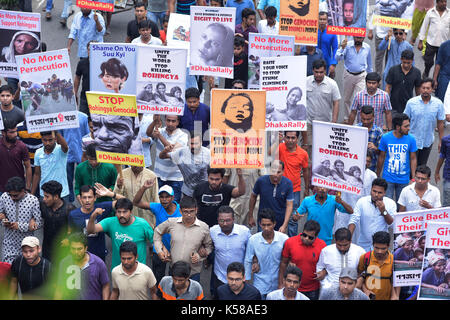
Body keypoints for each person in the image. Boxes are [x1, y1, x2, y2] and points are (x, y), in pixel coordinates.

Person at [86, 184, 154, 270]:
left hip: (139, 270)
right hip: (118, 271)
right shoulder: (110, 222)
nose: (121, 215)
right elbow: (91, 230)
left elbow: (155, 240)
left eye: (125, 212)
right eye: (119, 212)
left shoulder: (142, 224)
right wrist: (93, 216)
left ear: (131, 212)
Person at [153, 196, 213, 281]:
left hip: (193, 273)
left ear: (196, 210)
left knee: (192, 294)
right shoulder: (171, 222)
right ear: (180, 211)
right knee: (172, 294)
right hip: (173, 270)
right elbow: (157, 232)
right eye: (185, 212)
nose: (189, 215)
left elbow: (209, 247)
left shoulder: (204, 227)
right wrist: (160, 250)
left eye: (191, 211)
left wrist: (199, 256)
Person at [133, 184, 181, 283]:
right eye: (162, 197)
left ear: (173, 197)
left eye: (167, 197)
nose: (164, 200)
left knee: (175, 278)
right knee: (158, 278)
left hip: (176, 249)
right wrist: (143, 188)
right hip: (159, 249)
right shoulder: (157, 207)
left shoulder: (181, 210)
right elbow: (136, 202)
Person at [244, 208, 288, 299]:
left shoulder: (284, 239)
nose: (266, 228)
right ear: (260, 224)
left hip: (278, 284)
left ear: (274, 224)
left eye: (269, 225)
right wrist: (246, 283)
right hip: (260, 284)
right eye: (263, 225)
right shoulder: (253, 240)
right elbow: (248, 261)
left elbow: (287, 260)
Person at [272, 131, 309, 237]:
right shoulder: (279, 147)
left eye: (293, 138)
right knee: (277, 214)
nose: (290, 140)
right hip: (278, 187)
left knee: (293, 218)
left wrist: (306, 188)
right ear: (284, 137)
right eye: (288, 137)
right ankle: (276, 238)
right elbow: (269, 158)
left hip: (295, 189)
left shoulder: (303, 154)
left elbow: (306, 171)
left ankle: (292, 241)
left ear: (297, 139)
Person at [279, 220, 326, 300]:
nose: (306, 239)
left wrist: (324, 272)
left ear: (316, 236)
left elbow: (327, 265)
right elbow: (283, 263)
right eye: (304, 235)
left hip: (313, 289)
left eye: (310, 237)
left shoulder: (322, 245)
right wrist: (281, 283)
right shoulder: (290, 242)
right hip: (293, 287)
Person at [54, 232, 110, 300]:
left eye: (79, 249)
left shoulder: (98, 263)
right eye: (73, 249)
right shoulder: (64, 263)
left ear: (86, 248)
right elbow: (60, 287)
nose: (76, 252)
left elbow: (105, 285)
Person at [210, 206, 251, 296]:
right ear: (217, 220)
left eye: (228, 220)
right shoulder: (212, 231)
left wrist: (254, 262)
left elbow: (251, 250)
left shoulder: (244, 232)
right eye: (221, 220)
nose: (224, 224)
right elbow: (208, 245)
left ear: (233, 219)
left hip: (238, 277)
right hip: (220, 276)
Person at [147, 115, 189, 203]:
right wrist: (154, 122)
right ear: (165, 120)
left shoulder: (183, 135)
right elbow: (148, 133)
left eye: (173, 121)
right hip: (159, 175)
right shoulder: (160, 131)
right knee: (158, 203)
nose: (170, 123)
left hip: (175, 177)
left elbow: (173, 150)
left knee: (174, 204)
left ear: (178, 122)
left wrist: (160, 136)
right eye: (168, 120)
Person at [376, 113, 418, 202]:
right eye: (406, 126)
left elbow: (413, 158)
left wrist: (413, 178)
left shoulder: (411, 139)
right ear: (398, 127)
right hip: (388, 178)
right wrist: (378, 174)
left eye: (409, 125)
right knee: (387, 204)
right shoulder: (385, 138)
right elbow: (381, 157)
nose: (408, 128)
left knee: (402, 206)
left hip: (404, 179)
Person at [404, 78, 445, 166]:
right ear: (419, 88)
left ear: (432, 89)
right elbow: (404, 121)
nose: (425, 90)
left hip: (427, 141)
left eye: (428, 88)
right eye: (423, 88)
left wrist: (441, 141)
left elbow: (440, 123)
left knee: (422, 167)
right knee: (409, 166)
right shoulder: (411, 103)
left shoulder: (438, 104)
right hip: (412, 140)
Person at [0, 177, 41, 264]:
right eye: (10, 195)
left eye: (15, 195)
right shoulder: (4, 197)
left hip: (27, 244)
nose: (12, 198)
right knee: (8, 270)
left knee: (25, 272)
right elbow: (1, 213)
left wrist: (20, 226)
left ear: (23, 190)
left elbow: (39, 223)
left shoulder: (33, 200)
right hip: (9, 242)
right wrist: (3, 220)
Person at [348, 178, 396, 251]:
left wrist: (384, 211)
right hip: (363, 244)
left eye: (380, 192)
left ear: (384, 193)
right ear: (371, 190)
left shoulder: (390, 203)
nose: (376, 195)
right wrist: (348, 238)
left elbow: (391, 223)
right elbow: (353, 220)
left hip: (381, 246)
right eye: (374, 191)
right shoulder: (362, 201)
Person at [159, 131, 210, 199]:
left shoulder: (208, 154)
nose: (193, 146)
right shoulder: (182, 152)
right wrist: (165, 150)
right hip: (188, 192)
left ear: (201, 143)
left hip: (204, 191)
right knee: (186, 209)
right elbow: (162, 156)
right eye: (191, 143)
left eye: (196, 143)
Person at [68, 185, 112, 261]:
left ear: (95, 198)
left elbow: (125, 202)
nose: (87, 200)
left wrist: (109, 194)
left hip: (99, 255)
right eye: (84, 197)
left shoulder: (101, 207)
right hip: (80, 255)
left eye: (90, 197)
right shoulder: (73, 214)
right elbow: (70, 233)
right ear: (80, 199)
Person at [304, 59, 341, 150]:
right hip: (309, 122)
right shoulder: (305, 81)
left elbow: (336, 102)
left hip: (325, 123)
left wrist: (334, 121)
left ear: (325, 71)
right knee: (307, 146)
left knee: (324, 147)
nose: (319, 75)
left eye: (321, 72)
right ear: (313, 70)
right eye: (316, 72)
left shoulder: (332, 84)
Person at [248, 160, 293, 234]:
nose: (275, 175)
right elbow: (253, 196)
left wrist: (284, 225)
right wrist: (250, 216)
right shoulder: (261, 181)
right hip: (263, 221)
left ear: (283, 171)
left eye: (278, 172)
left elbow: (289, 205)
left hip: (279, 221)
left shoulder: (288, 183)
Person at [335, 35, 373, 121]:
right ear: (353, 37)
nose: (358, 39)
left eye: (360, 37)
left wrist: (371, 77)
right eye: (356, 37)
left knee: (359, 99)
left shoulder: (367, 47)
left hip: (361, 76)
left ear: (363, 38)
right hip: (348, 75)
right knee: (347, 99)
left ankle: (356, 120)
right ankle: (347, 118)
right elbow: (338, 58)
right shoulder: (347, 45)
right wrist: (342, 48)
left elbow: (369, 63)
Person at [40, 180, 75, 262]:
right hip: (47, 250)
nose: (44, 199)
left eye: (47, 196)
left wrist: (69, 239)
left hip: (63, 251)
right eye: (44, 196)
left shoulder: (69, 209)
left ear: (56, 197)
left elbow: (78, 229)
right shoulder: (43, 205)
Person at [357, 231, 398, 300]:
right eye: (377, 248)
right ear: (373, 245)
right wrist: (365, 291)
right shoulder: (365, 258)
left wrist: (395, 295)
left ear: (388, 246)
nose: (379, 251)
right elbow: (358, 277)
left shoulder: (393, 260)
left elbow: (396, 281)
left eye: (383, 248)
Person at [31, 131, 69, 201]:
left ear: (55, 139)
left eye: (50, 140)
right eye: (45, 140)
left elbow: (65, 146)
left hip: (61, 193)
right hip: (44, 194)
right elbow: (37, 174)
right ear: (41, 139)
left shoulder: (60, 150)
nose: (47, 143)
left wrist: (56, 132)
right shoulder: (38, 152)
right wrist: (32, 194)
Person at [61, 111, 90, 203]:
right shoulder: (61, 117)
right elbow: (60, 135)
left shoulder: (83, 117)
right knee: (67, 178)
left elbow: (87, 134)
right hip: (67, 152)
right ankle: (70, 201)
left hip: (81, 152)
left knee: (84, 176)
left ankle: (86, 197)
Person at [417, 0, 450, 79]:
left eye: (445, 2)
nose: (444, 3)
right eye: (442, 2)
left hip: (443, 45)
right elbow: (424, 27)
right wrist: (420, 41)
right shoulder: (430, 12)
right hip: (431, 43)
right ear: (437, 2)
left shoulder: (449, 13)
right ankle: (426, 72)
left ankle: (436, 81)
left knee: (440, 64)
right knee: (428, 62)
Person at [385, 49, 422, 115]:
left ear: (412, 61)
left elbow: (418, 89)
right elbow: (388, 86)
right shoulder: (393, 70)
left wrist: (419, 103)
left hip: (408, 106)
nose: (406, 65)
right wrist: (386, 101)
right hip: (394, 105)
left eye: (408, 63)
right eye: (404, 62)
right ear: (401, 59)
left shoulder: (417, 73)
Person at [0, 120, 32, 193]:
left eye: (15, 131)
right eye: (11, 132)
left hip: (18, 188)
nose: (15, 134)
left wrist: (27, 187)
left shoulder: (21, 146)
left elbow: (28, 167)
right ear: (3, 133)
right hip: (1, 188)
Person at [317, 12, 338, 77]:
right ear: (317, 20)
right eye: (320, 19)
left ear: (327, 20)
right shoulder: (312, 31)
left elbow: (335, 48)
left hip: (327, 63)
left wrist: (333, 63)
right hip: (314, 62)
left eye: (324, 19)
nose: (322, 21)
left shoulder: (332, 32)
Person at [436, 132, 450, 206]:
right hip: (448, 177)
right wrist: (437, 172)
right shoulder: (446, 140)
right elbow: (442, 156)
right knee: (447, 205)